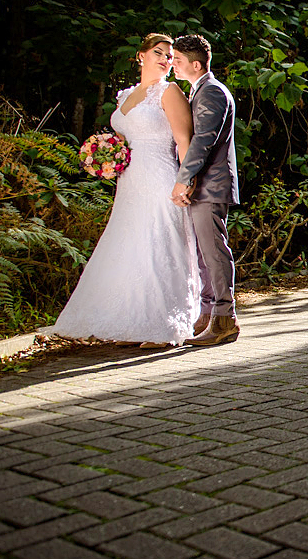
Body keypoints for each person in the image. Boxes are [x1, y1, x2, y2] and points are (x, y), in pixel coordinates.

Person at [51, 33, 200, 347]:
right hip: (129, 182)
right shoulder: (125, 96)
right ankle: (130, 323)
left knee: (159, 243)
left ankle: (164, 324)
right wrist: (105, 155)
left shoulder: (170, 92)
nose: (165, 59)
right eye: (158, 52)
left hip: (161, 175)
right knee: (130, 244)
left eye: (170, 56)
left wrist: (185, 180)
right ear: (140, 56)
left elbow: (184, 140)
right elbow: (121, 139)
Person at [170, 35, 241, 346]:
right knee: (203, 254)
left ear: (195, 64)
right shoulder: (201, 90)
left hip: (210, 186)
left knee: (214, 253)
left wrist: (184, 178)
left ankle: (226, 319)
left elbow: (204, 141)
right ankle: (208, 314)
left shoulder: (211, 92)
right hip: (206, 186)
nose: (172, 64)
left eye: (178, 60)